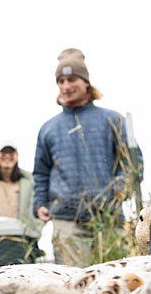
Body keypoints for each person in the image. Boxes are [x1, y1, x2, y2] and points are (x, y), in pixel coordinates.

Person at [32, 48, 139, 266]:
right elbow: (41, 173)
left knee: (113, 283)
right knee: (73, 287)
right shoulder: (48, 129)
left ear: (86, 82)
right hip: (67, 223)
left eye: (71, 79)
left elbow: (131, 164)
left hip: (108, 221)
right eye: (60, 81)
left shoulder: (113, 120)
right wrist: (40, 202)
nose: (66, 86)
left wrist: (119, 190)